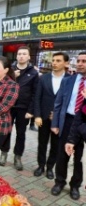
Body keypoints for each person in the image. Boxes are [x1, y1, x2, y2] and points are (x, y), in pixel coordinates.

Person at [50, 52, 86, 200]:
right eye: (78, 60)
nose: (79, 63)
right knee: (62, 154)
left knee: (79, 158)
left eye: (84, 61)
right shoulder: (68, 80)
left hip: (84, 123)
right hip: (67, 122)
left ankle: (75, 186)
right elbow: (58, 103)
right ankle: (59, 182)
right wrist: (55, 123)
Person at [0, 46, 39, 171]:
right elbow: (0, 86)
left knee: (21, 133)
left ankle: (17, 156)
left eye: (24, 54)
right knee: (6, 131)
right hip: (9, 107)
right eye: (19, 54)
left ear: (28, 57)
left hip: (24, 108)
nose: (21, 56)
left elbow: (35, 93)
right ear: (16, 56)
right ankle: (4, 154)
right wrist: (11, 77)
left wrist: (31, 110)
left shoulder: (33, 73)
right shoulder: (9, 70)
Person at [33, 52, 70, 179]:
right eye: (53, 60)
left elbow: (69, 100)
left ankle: (50, 167)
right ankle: (41, 165)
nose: (54, 63)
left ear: (66, 63)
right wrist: (37, 115)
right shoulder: (44, 78)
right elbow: (37, 98)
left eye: (58, 60)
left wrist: (58, 115)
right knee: (42, 143)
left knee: (55, 145)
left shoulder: (70, 79)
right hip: (43, 117)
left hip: (59, 119)